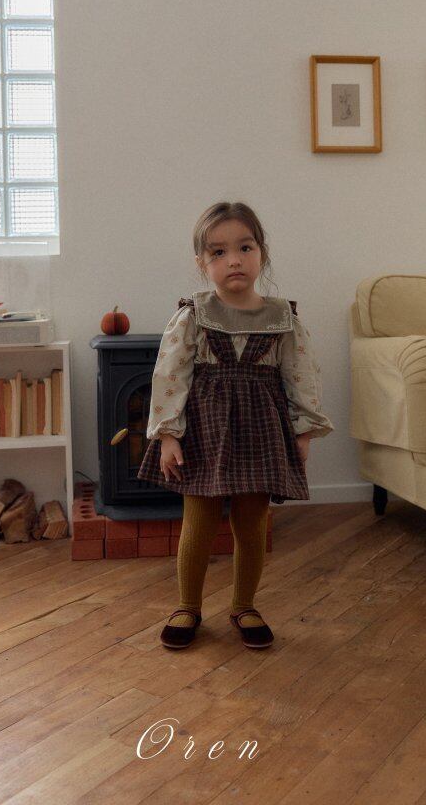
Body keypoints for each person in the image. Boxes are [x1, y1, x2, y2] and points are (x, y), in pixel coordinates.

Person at [137, 201, 334, 650]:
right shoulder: (193, 315)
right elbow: (170, 376)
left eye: (245, 248)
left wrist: (303, 431)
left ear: (261, 252)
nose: (234, 260)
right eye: (219, 252)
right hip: (204, 431)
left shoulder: (283, 318)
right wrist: (168, 434)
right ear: (202, 263)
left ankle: (244, 604)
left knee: (252, 522)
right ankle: (188, 605)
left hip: (262, 431)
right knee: (199, 521)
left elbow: (302, 376)